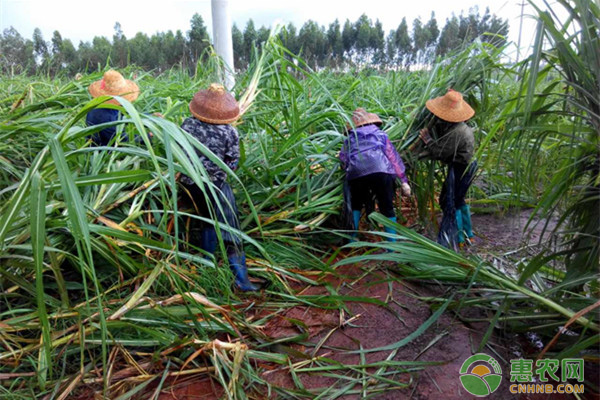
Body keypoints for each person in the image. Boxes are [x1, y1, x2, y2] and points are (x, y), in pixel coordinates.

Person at [179, 83, 258, 292]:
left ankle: (208, 269)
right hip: (214, 186)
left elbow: (178, 152)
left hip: (188, 185)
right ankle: (240, 278)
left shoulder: (187, 125)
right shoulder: (229, 132)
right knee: (228, 225)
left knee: (206, 220)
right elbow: (232, 164)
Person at [415, 89, 477, 248]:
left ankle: (457, 238)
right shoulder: (462, 127)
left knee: (449, 202)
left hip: (460, 168)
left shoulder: (456, 132)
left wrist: (427, 139)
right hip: (467, 166)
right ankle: (467, 234)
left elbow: (440, 153)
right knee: (459, 199)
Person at [339, 108, 411, 242]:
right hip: (381, 170)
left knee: (356, 205)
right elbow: (392, 157)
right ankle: (392, 245)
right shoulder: (380, 134)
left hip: (357, 174)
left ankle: (351, 242)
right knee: (386, 206)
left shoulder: (349, 139)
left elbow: (343, 158)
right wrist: (403, 180)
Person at [86, 70, 139, 146]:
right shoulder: (102, 115)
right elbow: (120, 139)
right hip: (104, 152)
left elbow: (126, 115)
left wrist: (150, 117)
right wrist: (147, 137)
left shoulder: (110, 105)